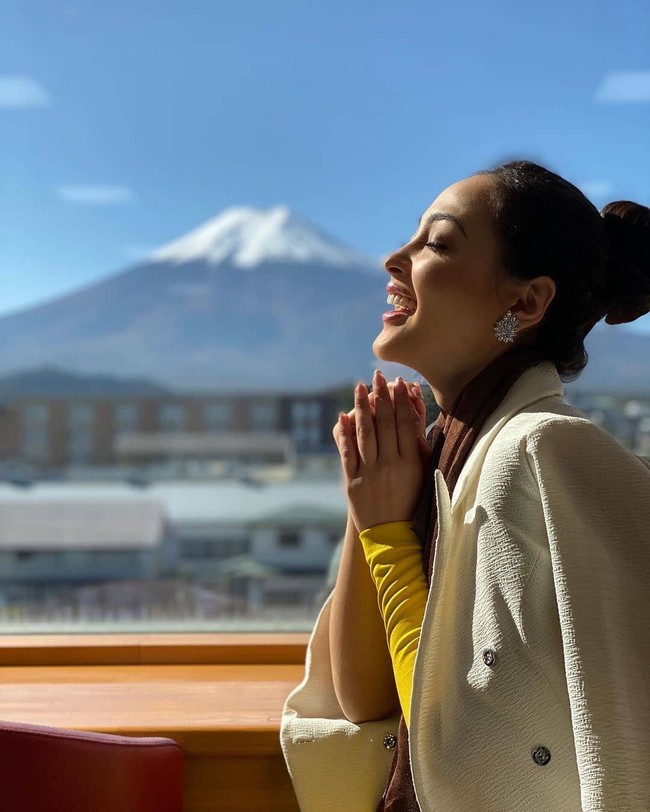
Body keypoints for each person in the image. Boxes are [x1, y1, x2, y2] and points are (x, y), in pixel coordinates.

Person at [280, 160, 650, 811]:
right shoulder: (448, 452)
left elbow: (464, 741)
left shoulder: (541, 454)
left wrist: (389, 535)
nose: (394, 259)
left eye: (438, 243)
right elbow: (363, 696)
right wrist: (373, 508)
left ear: (526, 302)